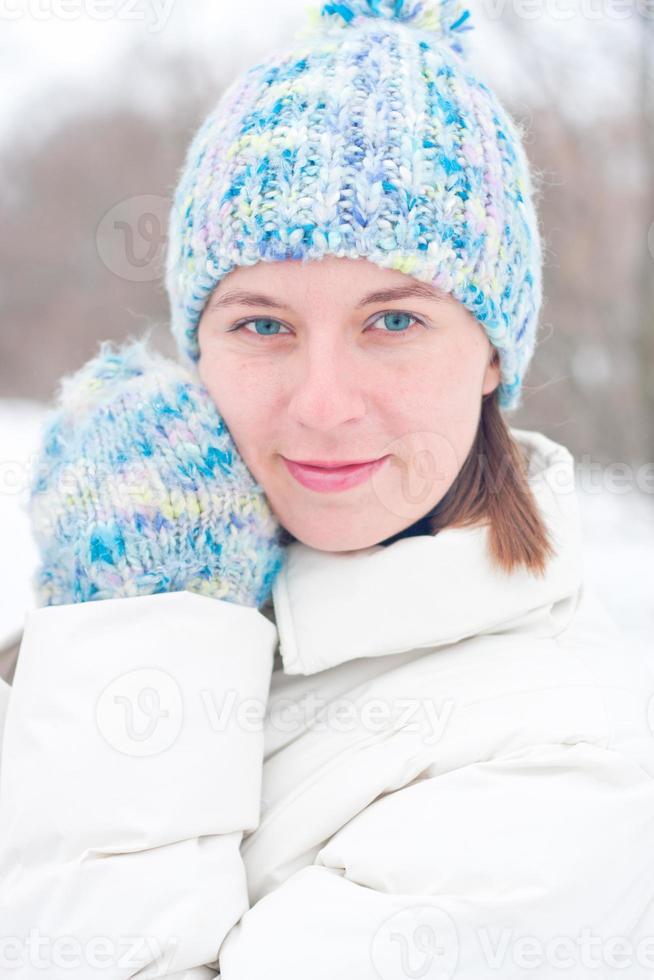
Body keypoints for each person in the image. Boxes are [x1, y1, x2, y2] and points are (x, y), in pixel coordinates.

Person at [1, 1, 654, 977]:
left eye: (391, 322)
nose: (322, 404)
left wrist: (144, 633)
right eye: (263, 325)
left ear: (490, 354)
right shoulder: (192, 576)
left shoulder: (570, 757)